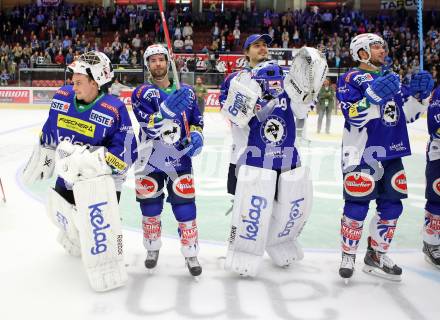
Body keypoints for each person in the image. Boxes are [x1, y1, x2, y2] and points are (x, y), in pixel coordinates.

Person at [22, 51, 138, 292]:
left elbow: (128, 153)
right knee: (61, 212)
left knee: (99, 230)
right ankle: (75, 236)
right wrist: (45, 150)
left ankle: (107, 258)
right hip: (67, 175)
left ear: (95, 82)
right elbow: (50, 128)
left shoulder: (113, 108)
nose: (72, 86)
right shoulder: (63, 96)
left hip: (99, 184)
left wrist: (90, 162)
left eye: (78, 82)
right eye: (72, 80)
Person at [219, 34, 327, 276]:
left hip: (285, 154)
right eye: (256, 45)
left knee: (287, 205)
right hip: (250, 156)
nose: (262, 48)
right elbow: (234, 117)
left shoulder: (287, 78)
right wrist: (257, 92)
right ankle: (241, 247)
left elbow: (299, 111)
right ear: (246, 52)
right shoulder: (236, 79)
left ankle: (278, 242)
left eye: (265, 45)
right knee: (249, 206)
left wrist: (309, 93)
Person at [336, 33, 434, 282]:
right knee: (357, 206)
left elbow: (407, 115)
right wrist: (371, 99)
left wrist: (419, 98)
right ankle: (348, 254)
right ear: (361, 52)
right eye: (377, 46)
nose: (383, 50)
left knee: (392, 207)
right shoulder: (349, 78)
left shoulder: (391, 80)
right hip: (362, 154)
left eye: (383, 46)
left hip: (392, 152)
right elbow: (353, 116)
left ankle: (376, 255)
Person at [131, 44, 204, 277]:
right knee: (150, 207)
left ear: (168, 62)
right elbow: (148, 127)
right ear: (147, 65)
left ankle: (191, 253)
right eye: (152, 60)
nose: (158, 64)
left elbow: (196, 121)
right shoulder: (141, 92)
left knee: (185, 206)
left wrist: (197, 135)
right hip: (150, 159)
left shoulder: (187, 92)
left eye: (161, 59)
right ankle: (152, 249)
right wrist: (166, 111)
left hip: (179, 158)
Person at [423, 65, 440, 269]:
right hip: (438, 155)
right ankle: (432, 243)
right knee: (437, 198)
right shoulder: (439, 92)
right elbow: (436, 126)